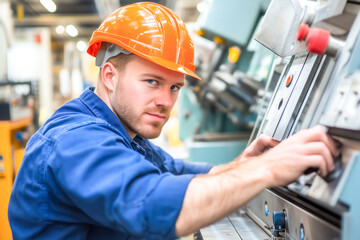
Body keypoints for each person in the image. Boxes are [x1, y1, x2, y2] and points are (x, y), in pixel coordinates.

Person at [8, 2, 339, 240]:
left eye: (175, 87)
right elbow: (153, 204)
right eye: (151, 82)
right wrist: (268, 169)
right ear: (109, 75)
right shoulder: (76, 140)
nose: (166, 101)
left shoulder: (124, 133)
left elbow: (175, 173)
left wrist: (243, 164)